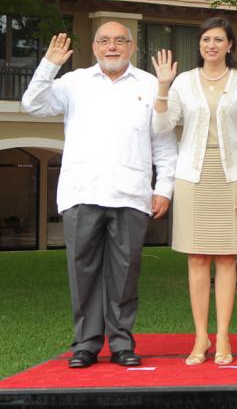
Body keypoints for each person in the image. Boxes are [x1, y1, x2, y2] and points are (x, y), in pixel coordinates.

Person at [21, 22, 177, 368]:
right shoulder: (73, 83)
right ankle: (86, 344)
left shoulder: (151, 86)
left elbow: (164, 143)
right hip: (82, 191)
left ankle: (121, 343)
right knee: (83, 272)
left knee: (125, 274)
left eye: (119, 41)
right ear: (94, 47)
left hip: (131, 194)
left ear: (131, 46)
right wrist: (49, 64)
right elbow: (32, 104)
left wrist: (163, 188)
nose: (112, 47)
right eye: (104, 41)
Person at [151, 17, 237, 366]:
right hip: (192, 177)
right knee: (197, 257)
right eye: (205, 40)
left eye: (218, 39)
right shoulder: (183, 82)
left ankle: (224, 334)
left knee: (228, 258)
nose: (210, 45)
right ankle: (201, 336)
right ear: (199, 45)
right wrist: (163, 88)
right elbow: (163, 125)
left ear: (230, 45)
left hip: (232, 178)